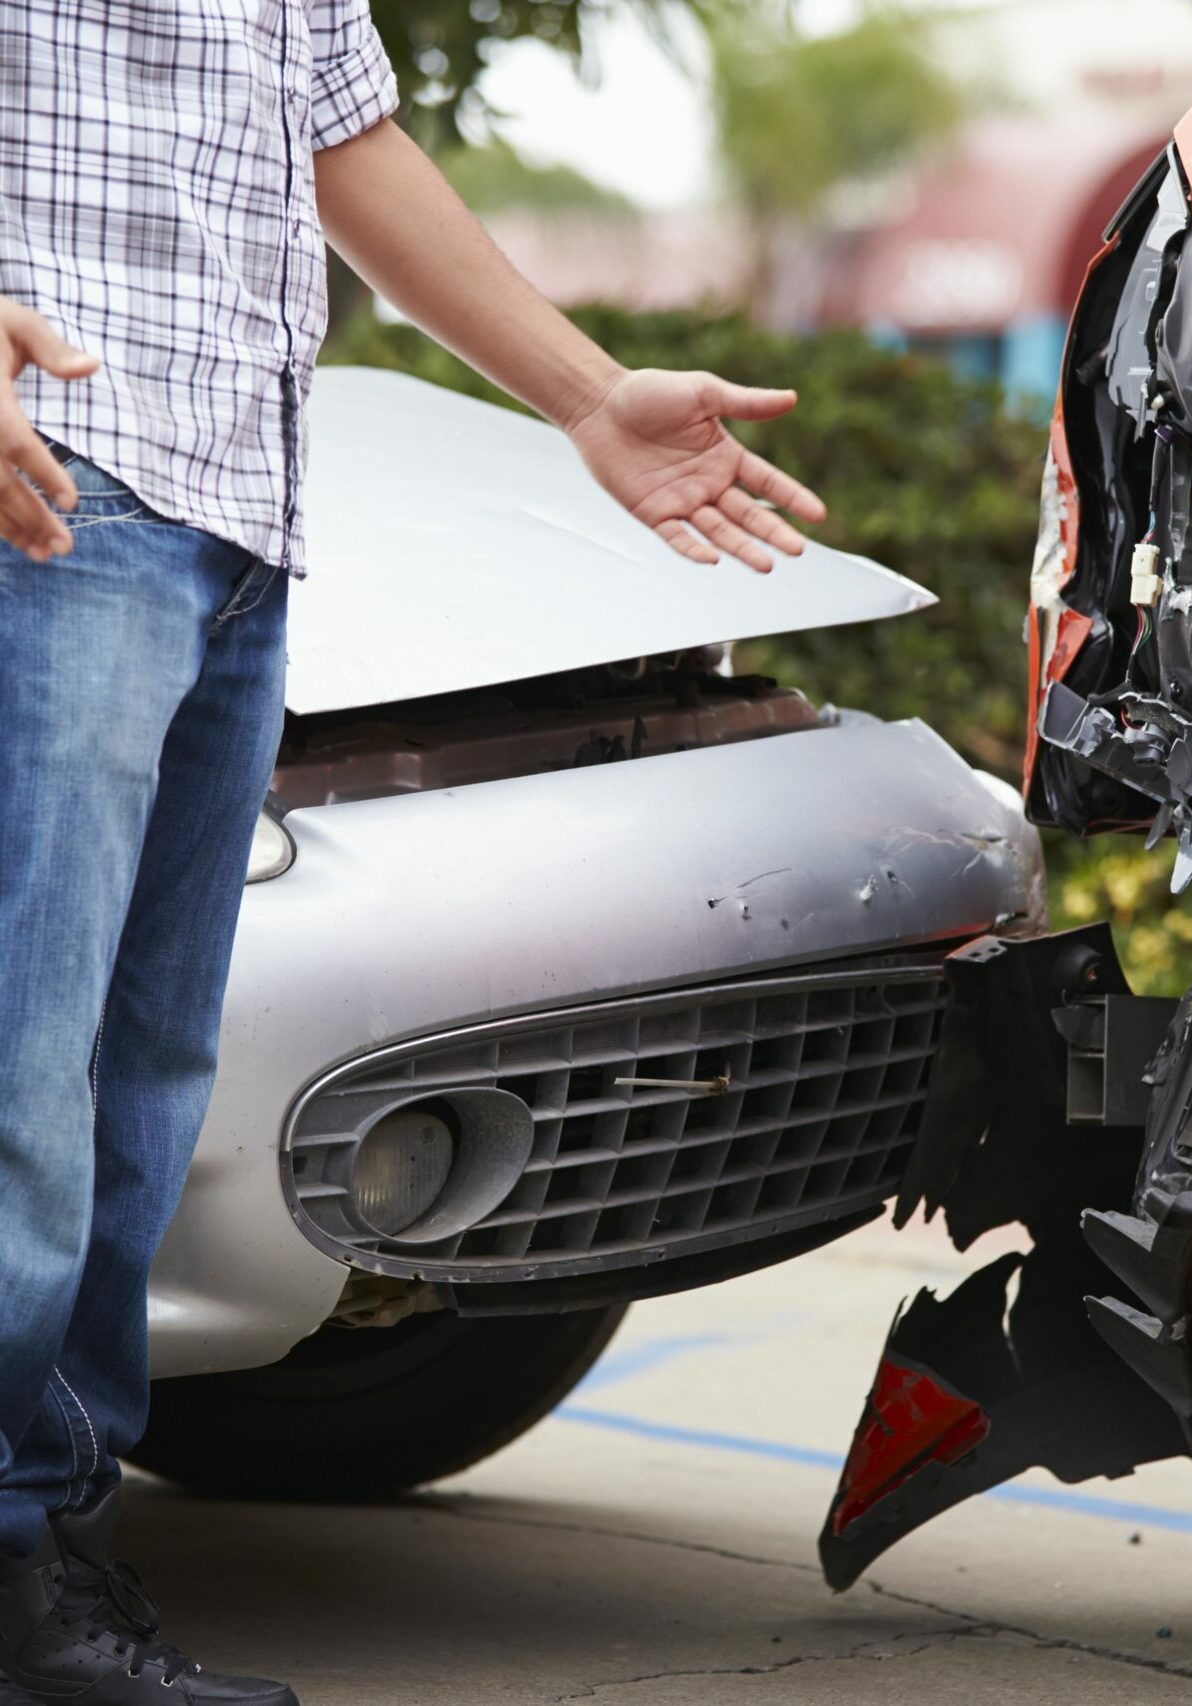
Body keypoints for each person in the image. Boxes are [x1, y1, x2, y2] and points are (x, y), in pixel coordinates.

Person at [0, 6, 826, 1703]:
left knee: (132, 1089)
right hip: (50, 496)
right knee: (17, 1090)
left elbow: (345, 145)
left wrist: (592, 399)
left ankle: (43, 1557)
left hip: (234, 521)